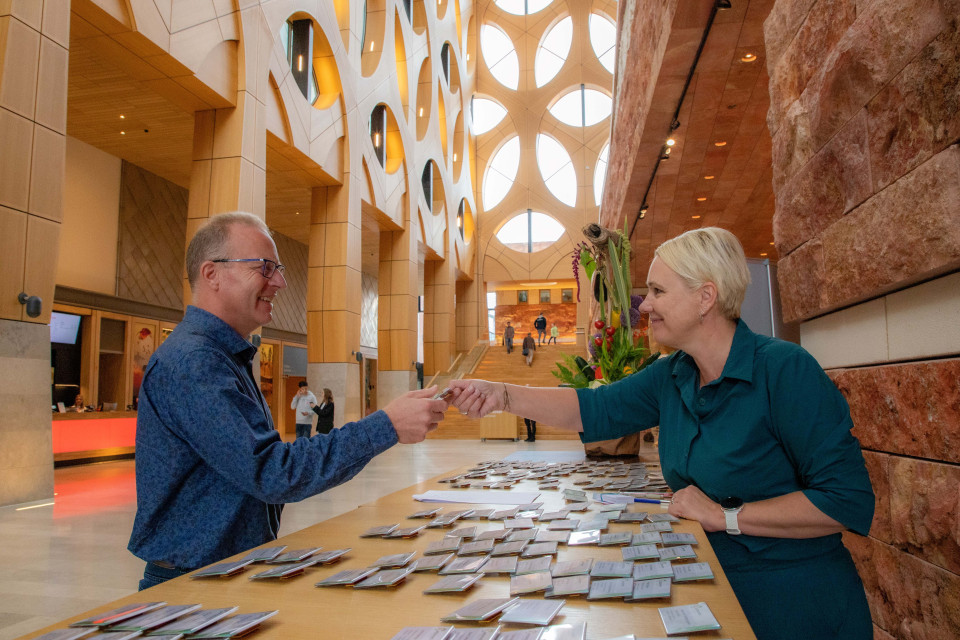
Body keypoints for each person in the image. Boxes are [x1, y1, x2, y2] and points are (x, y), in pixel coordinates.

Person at [449, 227, 874, 640]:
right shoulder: (672, 374)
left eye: (657, 291)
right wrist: (501, 395)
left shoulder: (784, 369)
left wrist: (725, 516)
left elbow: (845, 500)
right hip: (710, 587)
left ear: (705, 297)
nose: (644, 306)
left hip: (794, 602)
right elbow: (595, 407)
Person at [129, 212, 449, 590]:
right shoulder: (194, 362)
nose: (279, 281)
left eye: (277, 268)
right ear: (211, 274)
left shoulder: (219, 356)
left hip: (223, 573)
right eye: (265, 268)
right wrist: (387, 425)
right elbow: (272, 472)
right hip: (194, 583)